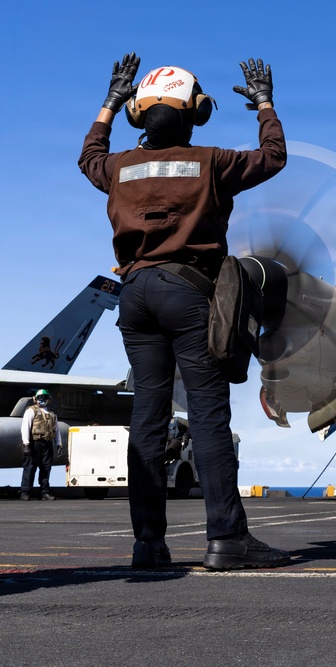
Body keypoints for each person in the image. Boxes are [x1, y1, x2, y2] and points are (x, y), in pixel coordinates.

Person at [78, 53, 290, 570]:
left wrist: (108, 102)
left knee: (146, 419)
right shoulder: (213, 162)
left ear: (137, 114)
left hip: (134, 296)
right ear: (197, 111)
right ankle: (227, 540)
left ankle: (148, 544)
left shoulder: (118, 168)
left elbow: (88, 155)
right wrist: (264, 103)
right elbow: (274, 155)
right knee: (208, 416)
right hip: (190, 293)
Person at [20, 389, 61, 501]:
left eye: (44, 397)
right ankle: (25, 492)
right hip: (34, 443)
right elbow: (25, 428)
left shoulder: (52, 413)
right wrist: (26, 444)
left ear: (49, 399)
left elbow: (56, 430)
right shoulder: (31, 411)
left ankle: (44, 493)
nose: (42, 400)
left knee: (46, 469)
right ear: (35, 398)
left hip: (47, 443)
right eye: (40, 397)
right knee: (30, 467)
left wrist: (58, 444)